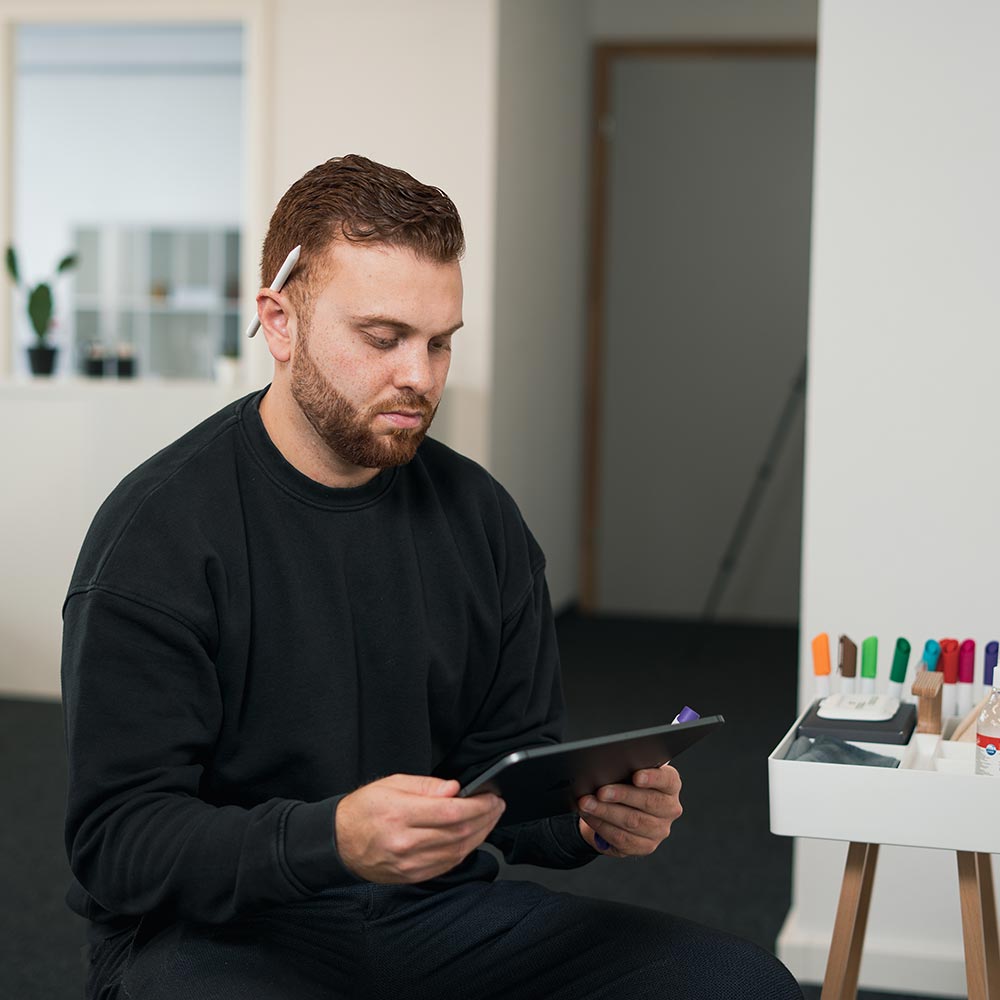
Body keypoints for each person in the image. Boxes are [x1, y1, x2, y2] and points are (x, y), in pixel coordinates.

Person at [62, 153, 803, 1000]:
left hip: (428, 916)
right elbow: (119, 843)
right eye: (382, 339)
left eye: (439, 343)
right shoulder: (156, 535)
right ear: (279, 321)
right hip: (221, 938)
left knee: (739, 984)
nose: (419, 375)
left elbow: (502, 770)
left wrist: (588, 817)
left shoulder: (479, 519)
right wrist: (333, 839)